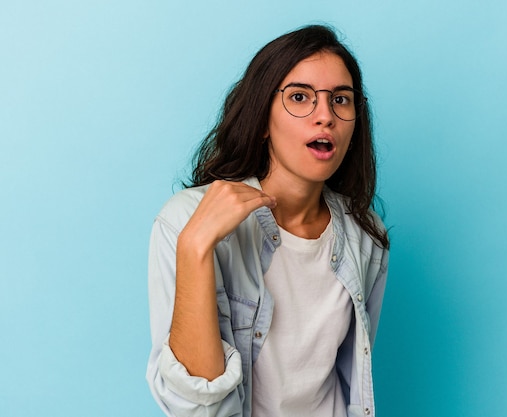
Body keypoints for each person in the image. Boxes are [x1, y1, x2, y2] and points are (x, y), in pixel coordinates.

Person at [146, 24, 390, 417]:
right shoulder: (186, 220)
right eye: (300, 97)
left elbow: (351, 381)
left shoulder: (368, 237)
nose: (325, 116)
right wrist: (195, 248)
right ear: (262, 120)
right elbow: (195, 405)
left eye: (340, 100)